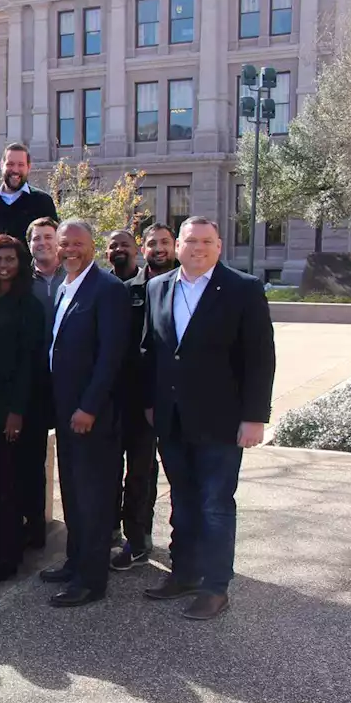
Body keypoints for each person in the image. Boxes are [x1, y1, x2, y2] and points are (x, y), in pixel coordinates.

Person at [141, 216, 275, 621]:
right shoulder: (157, 287)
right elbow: (151, 351)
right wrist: (151, 403)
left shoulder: (243, 289)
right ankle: (184, 573)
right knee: (182, 500)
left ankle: (216, 587)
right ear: (177, 246)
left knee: (215, 504)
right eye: (190, 241)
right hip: (172, 417)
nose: (197, 247)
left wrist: (255, 417)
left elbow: (260, 358)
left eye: (206, 241)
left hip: (221, 420)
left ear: (219, 246)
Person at [39, 219, 130, 607]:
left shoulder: (107, 289)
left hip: (91, 415)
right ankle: (76, 562)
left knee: (93, 498)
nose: (70, 250)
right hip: (66, 411)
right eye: (65, 244)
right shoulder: (65, 285)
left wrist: (89, 407)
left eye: (78, 243)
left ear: (92, 245)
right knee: (74, 495)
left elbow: (111, 357)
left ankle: (91, 580)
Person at [0, 236, 45, 583]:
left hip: (13, 407)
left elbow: (30, 362)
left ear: (20, 263)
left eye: (10, 260)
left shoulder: (27, 305)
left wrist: (17, 411)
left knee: (9, 485)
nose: (3, 265)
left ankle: (8, 556)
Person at [106, 226, 168, 565]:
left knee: (142, 471)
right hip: (115, 397)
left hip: (148, 399)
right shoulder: (117, 290)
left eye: (126, 245)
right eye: (114, 245)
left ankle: (139, 537)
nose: (121, 250)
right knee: (111, 469)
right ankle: (111, 530)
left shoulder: (161, 288)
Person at [19, 215, 64, 548]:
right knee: (32, 460)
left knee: (77, 460)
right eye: (37, 239)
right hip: (34, 381)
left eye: (49, 237)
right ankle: (34, 526)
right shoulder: (22, 281)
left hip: (69, 380)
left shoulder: (75, 278)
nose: (43, 243)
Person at [0, 143, 59, 241]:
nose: (15, 170)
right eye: (10, 164)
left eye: (20, 165)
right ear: (1, 165)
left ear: (28, 167)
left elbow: (54, 241)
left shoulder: (43, 201)